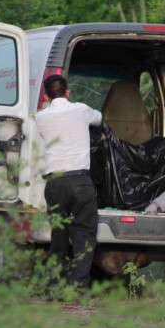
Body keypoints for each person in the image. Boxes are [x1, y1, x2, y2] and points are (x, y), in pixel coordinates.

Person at [35, 74, 102, 291]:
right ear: (68, 92)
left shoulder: (41, 117)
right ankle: (78, 288)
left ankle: (53, 286)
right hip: (80, 181)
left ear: (46, 95)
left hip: (54, 184)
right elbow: (99, 118)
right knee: (84, 235)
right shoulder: (81, 110)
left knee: (59, 237)